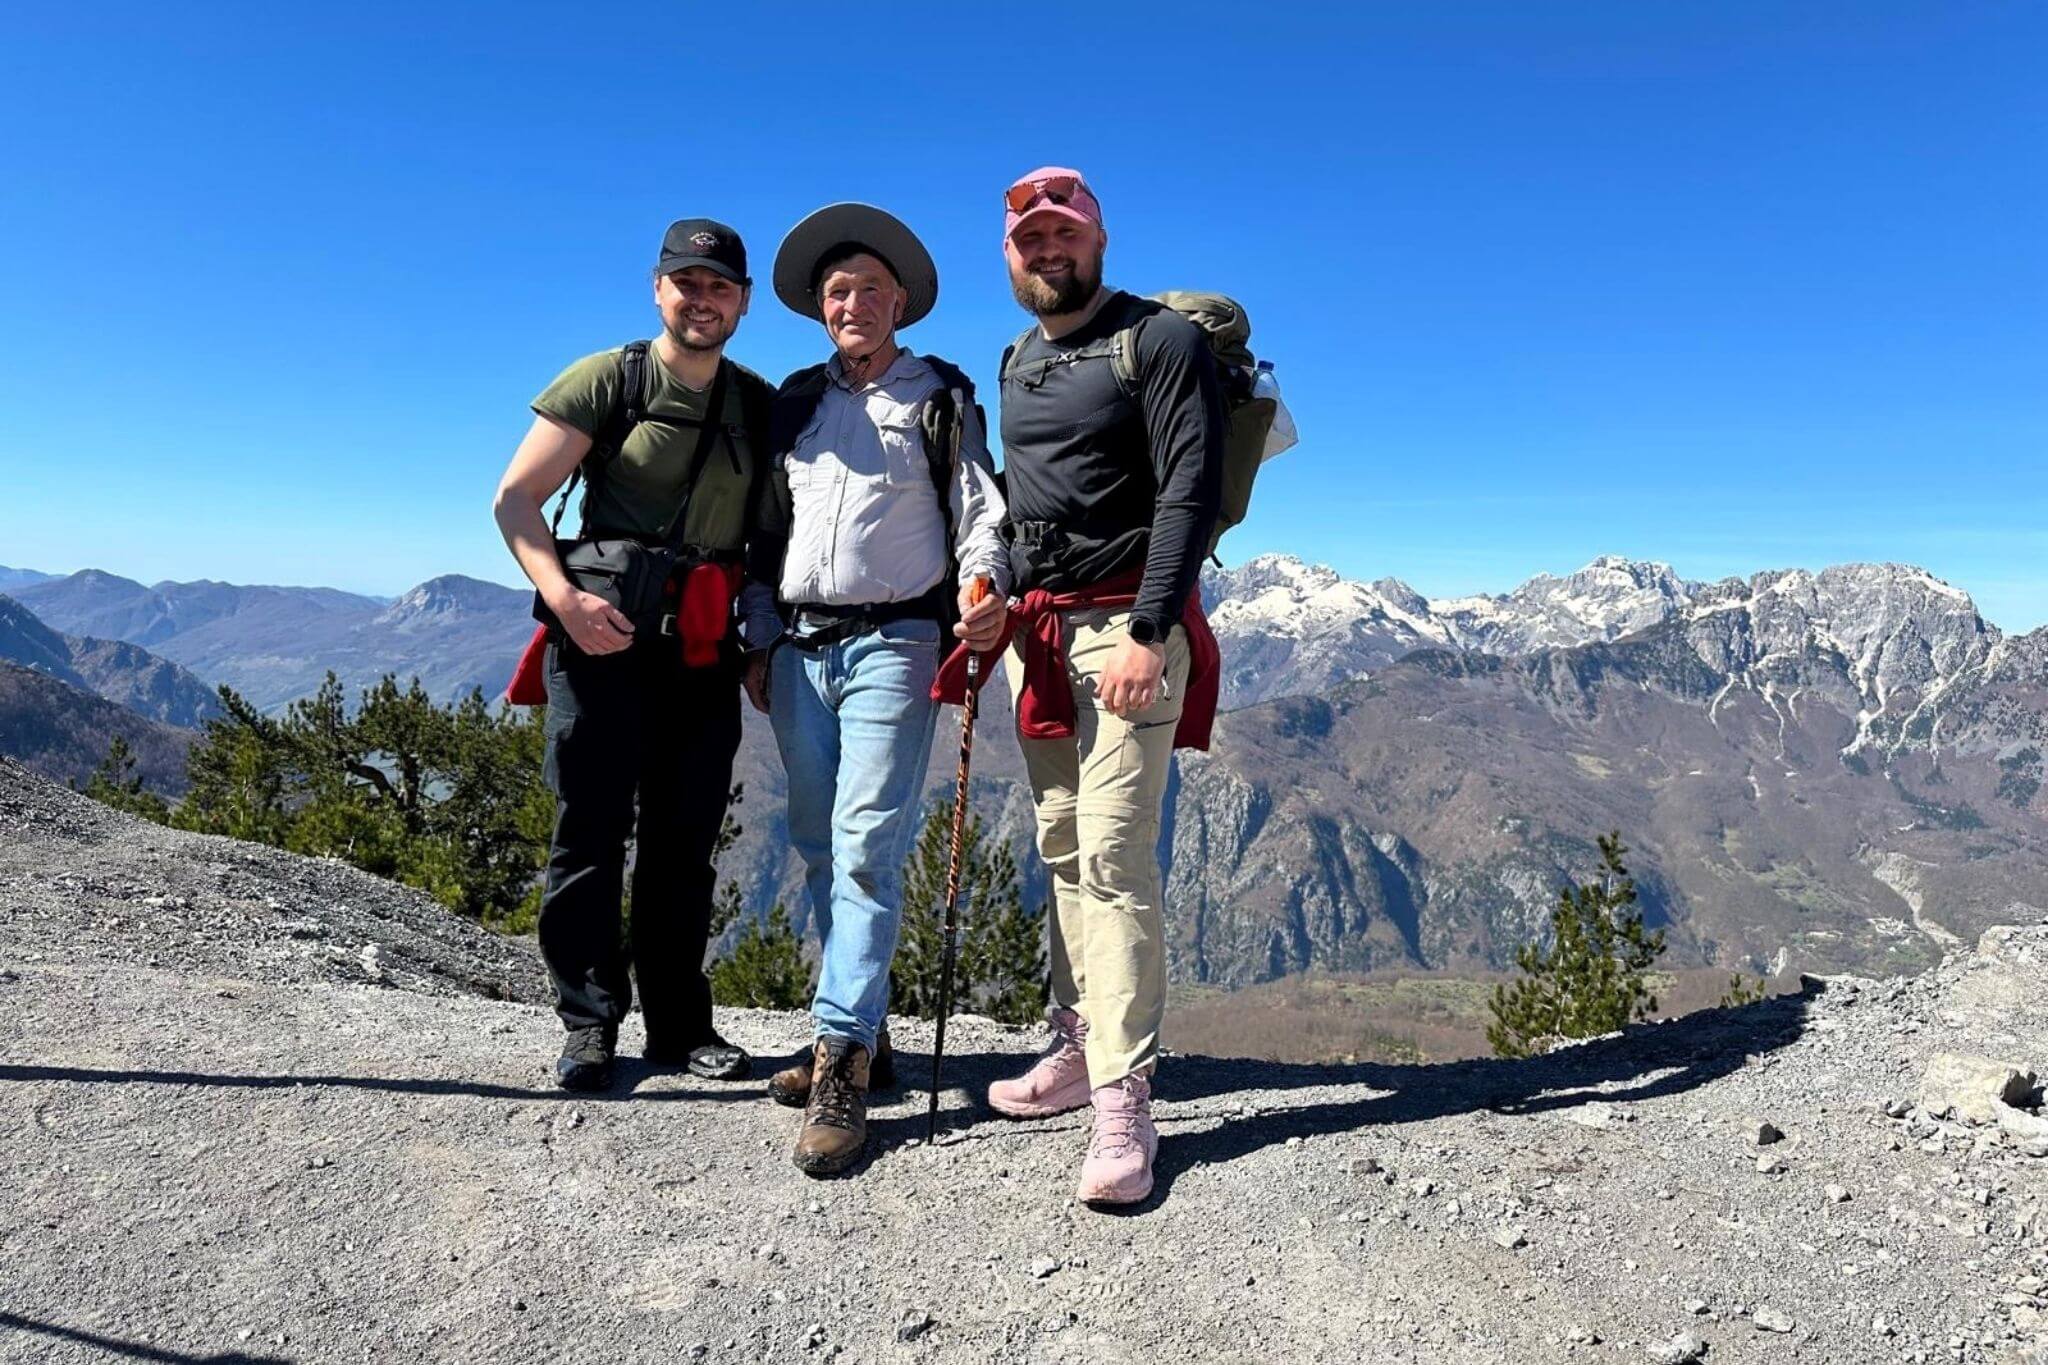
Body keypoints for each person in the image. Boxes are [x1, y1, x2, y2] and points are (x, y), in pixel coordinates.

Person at [963, 168, 1224, 1205]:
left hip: (1127, 635)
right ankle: (1075, 1048)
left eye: (1061, 230)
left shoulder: (1157, 341)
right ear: (1007, 253)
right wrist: (995, 598)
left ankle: (1124, 1097)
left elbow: (1189, 491)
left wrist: (1149, 631)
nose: (1045, 247)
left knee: (1113, 854)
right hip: (1041, 636)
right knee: (1062, 845)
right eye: (1028, 236)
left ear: (1098, 235)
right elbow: (1032, 511)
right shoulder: (1018, 357)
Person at [740, 203, 1008, 1176]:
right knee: (817, 842)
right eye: (836, 291)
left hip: (895, 640)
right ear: (820, 308)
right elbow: (761, 533)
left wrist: (982, 588)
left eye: (868, 289)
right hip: (798, 650)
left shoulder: (938, 395)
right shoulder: (795, 402)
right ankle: (864, 1031)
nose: (852, 303)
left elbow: (979, 509)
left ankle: (842, 1063)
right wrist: (760, 635)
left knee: (862, 849)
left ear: (901, 302)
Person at [492, 218, 773, 1092]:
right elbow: (516, 500)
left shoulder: (757, 406)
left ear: (743, 303)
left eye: (719, 286)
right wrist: (566, 602)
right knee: (589, 832)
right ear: (658, 289)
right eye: (686, 282)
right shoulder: (606, 381)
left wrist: (760, 645)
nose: (702, 298)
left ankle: (680, 1026)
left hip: (701, 650)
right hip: (601, 643)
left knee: (684, 843)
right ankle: (587, 1021)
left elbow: (770, 538)